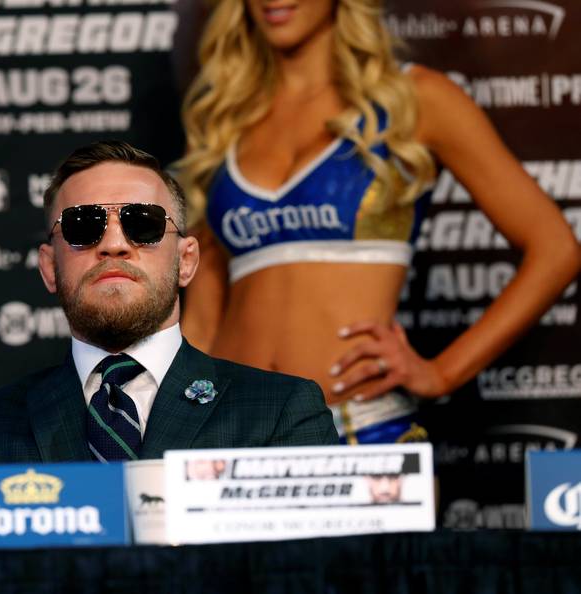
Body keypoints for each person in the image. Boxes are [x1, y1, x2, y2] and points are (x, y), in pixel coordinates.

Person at [177, 0, 581, 444]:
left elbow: (556, 249)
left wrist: (442, 373)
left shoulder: (414, 98)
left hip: (362, 430)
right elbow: (203, 318)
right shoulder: (227, 119)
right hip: (235, 436)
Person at [0, 140, 338, 547]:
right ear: (49, 268)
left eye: (144, 224)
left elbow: (317, 573)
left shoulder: (281, 411)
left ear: (186, 260)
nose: (114, 244)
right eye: (83, 225)